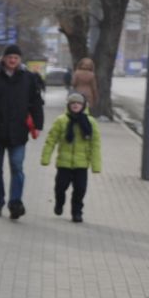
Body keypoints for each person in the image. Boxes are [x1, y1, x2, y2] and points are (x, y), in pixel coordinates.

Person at [0, 43, 45, 220]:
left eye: (16, 58)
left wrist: (38, 124)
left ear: (20, 60)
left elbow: (36, 103)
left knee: (17, 166)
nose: (12, 60)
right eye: (10, 57)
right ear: (3, 58)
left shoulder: (28, 78)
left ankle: (15, 203)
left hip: (18, 132)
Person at [40, 91, 103, 222]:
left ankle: (77, 212)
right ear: (68, 105)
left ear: (83, 105)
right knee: (60, 187)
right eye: (72, 103)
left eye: (78, 103)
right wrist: (46, 158)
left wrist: (96, 166)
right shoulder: (61, 120)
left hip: (82, 164)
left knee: (80, 190)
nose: (75, 105)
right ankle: (59, 203)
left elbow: (95, 144)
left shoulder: (90, 122)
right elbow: (51, 140)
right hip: (64, 163)